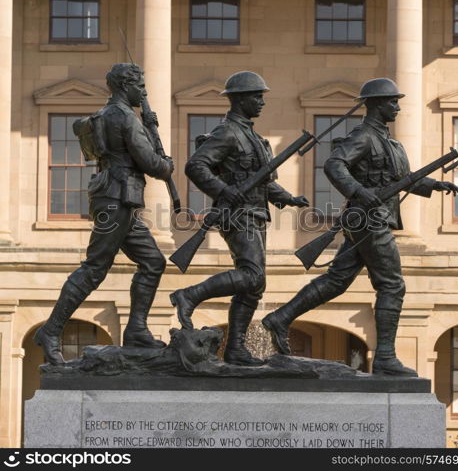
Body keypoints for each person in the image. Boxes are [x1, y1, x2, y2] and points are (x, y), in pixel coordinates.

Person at [262, 78, 458, 376]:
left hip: (371, 219)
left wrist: (435, 184)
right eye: (392, 101)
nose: (397, 106)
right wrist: (358, 192)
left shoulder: (391, 142)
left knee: (337, 280)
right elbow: (334, 165)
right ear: (377, 105)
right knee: (392, 284)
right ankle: (385, 358)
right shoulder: (365, 136)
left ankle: (280, 317)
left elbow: (403, 179)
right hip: (369, 220)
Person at [34, 63, 174, 364]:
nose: (144, 92)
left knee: (152, 261)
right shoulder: (126, 119)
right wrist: (167, 163)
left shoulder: (101, 116)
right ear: (125, 86)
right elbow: (152, 164)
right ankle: (51, 329)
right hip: (117, 198)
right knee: (96, 267)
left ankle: (136, 329)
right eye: (140, 86)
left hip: (115, 197)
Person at [170, 71, 309, 366]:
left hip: (256, 213)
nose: (261, 102)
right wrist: (223, 190)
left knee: (254, 287)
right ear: (240, 99)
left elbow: (263, 182)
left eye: (262, 96)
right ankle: (189, 295)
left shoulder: (254, 137)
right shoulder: (228, 132)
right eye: (256, 96)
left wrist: (287, 198)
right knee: (252, 275)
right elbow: (196, 166)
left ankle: (235, 349)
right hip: (236, 214)